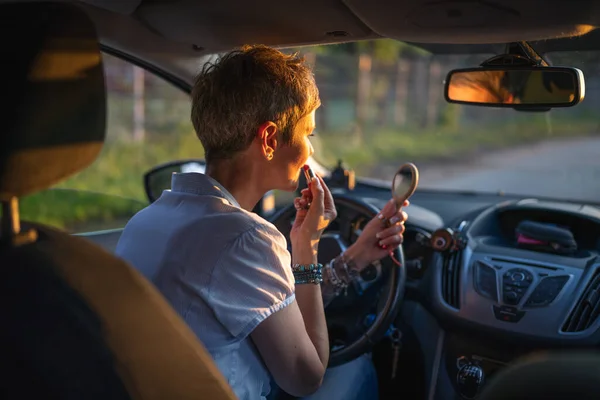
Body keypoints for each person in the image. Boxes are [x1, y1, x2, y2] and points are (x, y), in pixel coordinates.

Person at [115, 45, 408, 400]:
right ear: (269, 139)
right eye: (308, 134)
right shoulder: (246, 238)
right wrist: (307, 248)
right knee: (357, 368)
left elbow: (274, 312)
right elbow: (306, 376)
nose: (311, 151)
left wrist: (355, 258)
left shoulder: (147, 220)